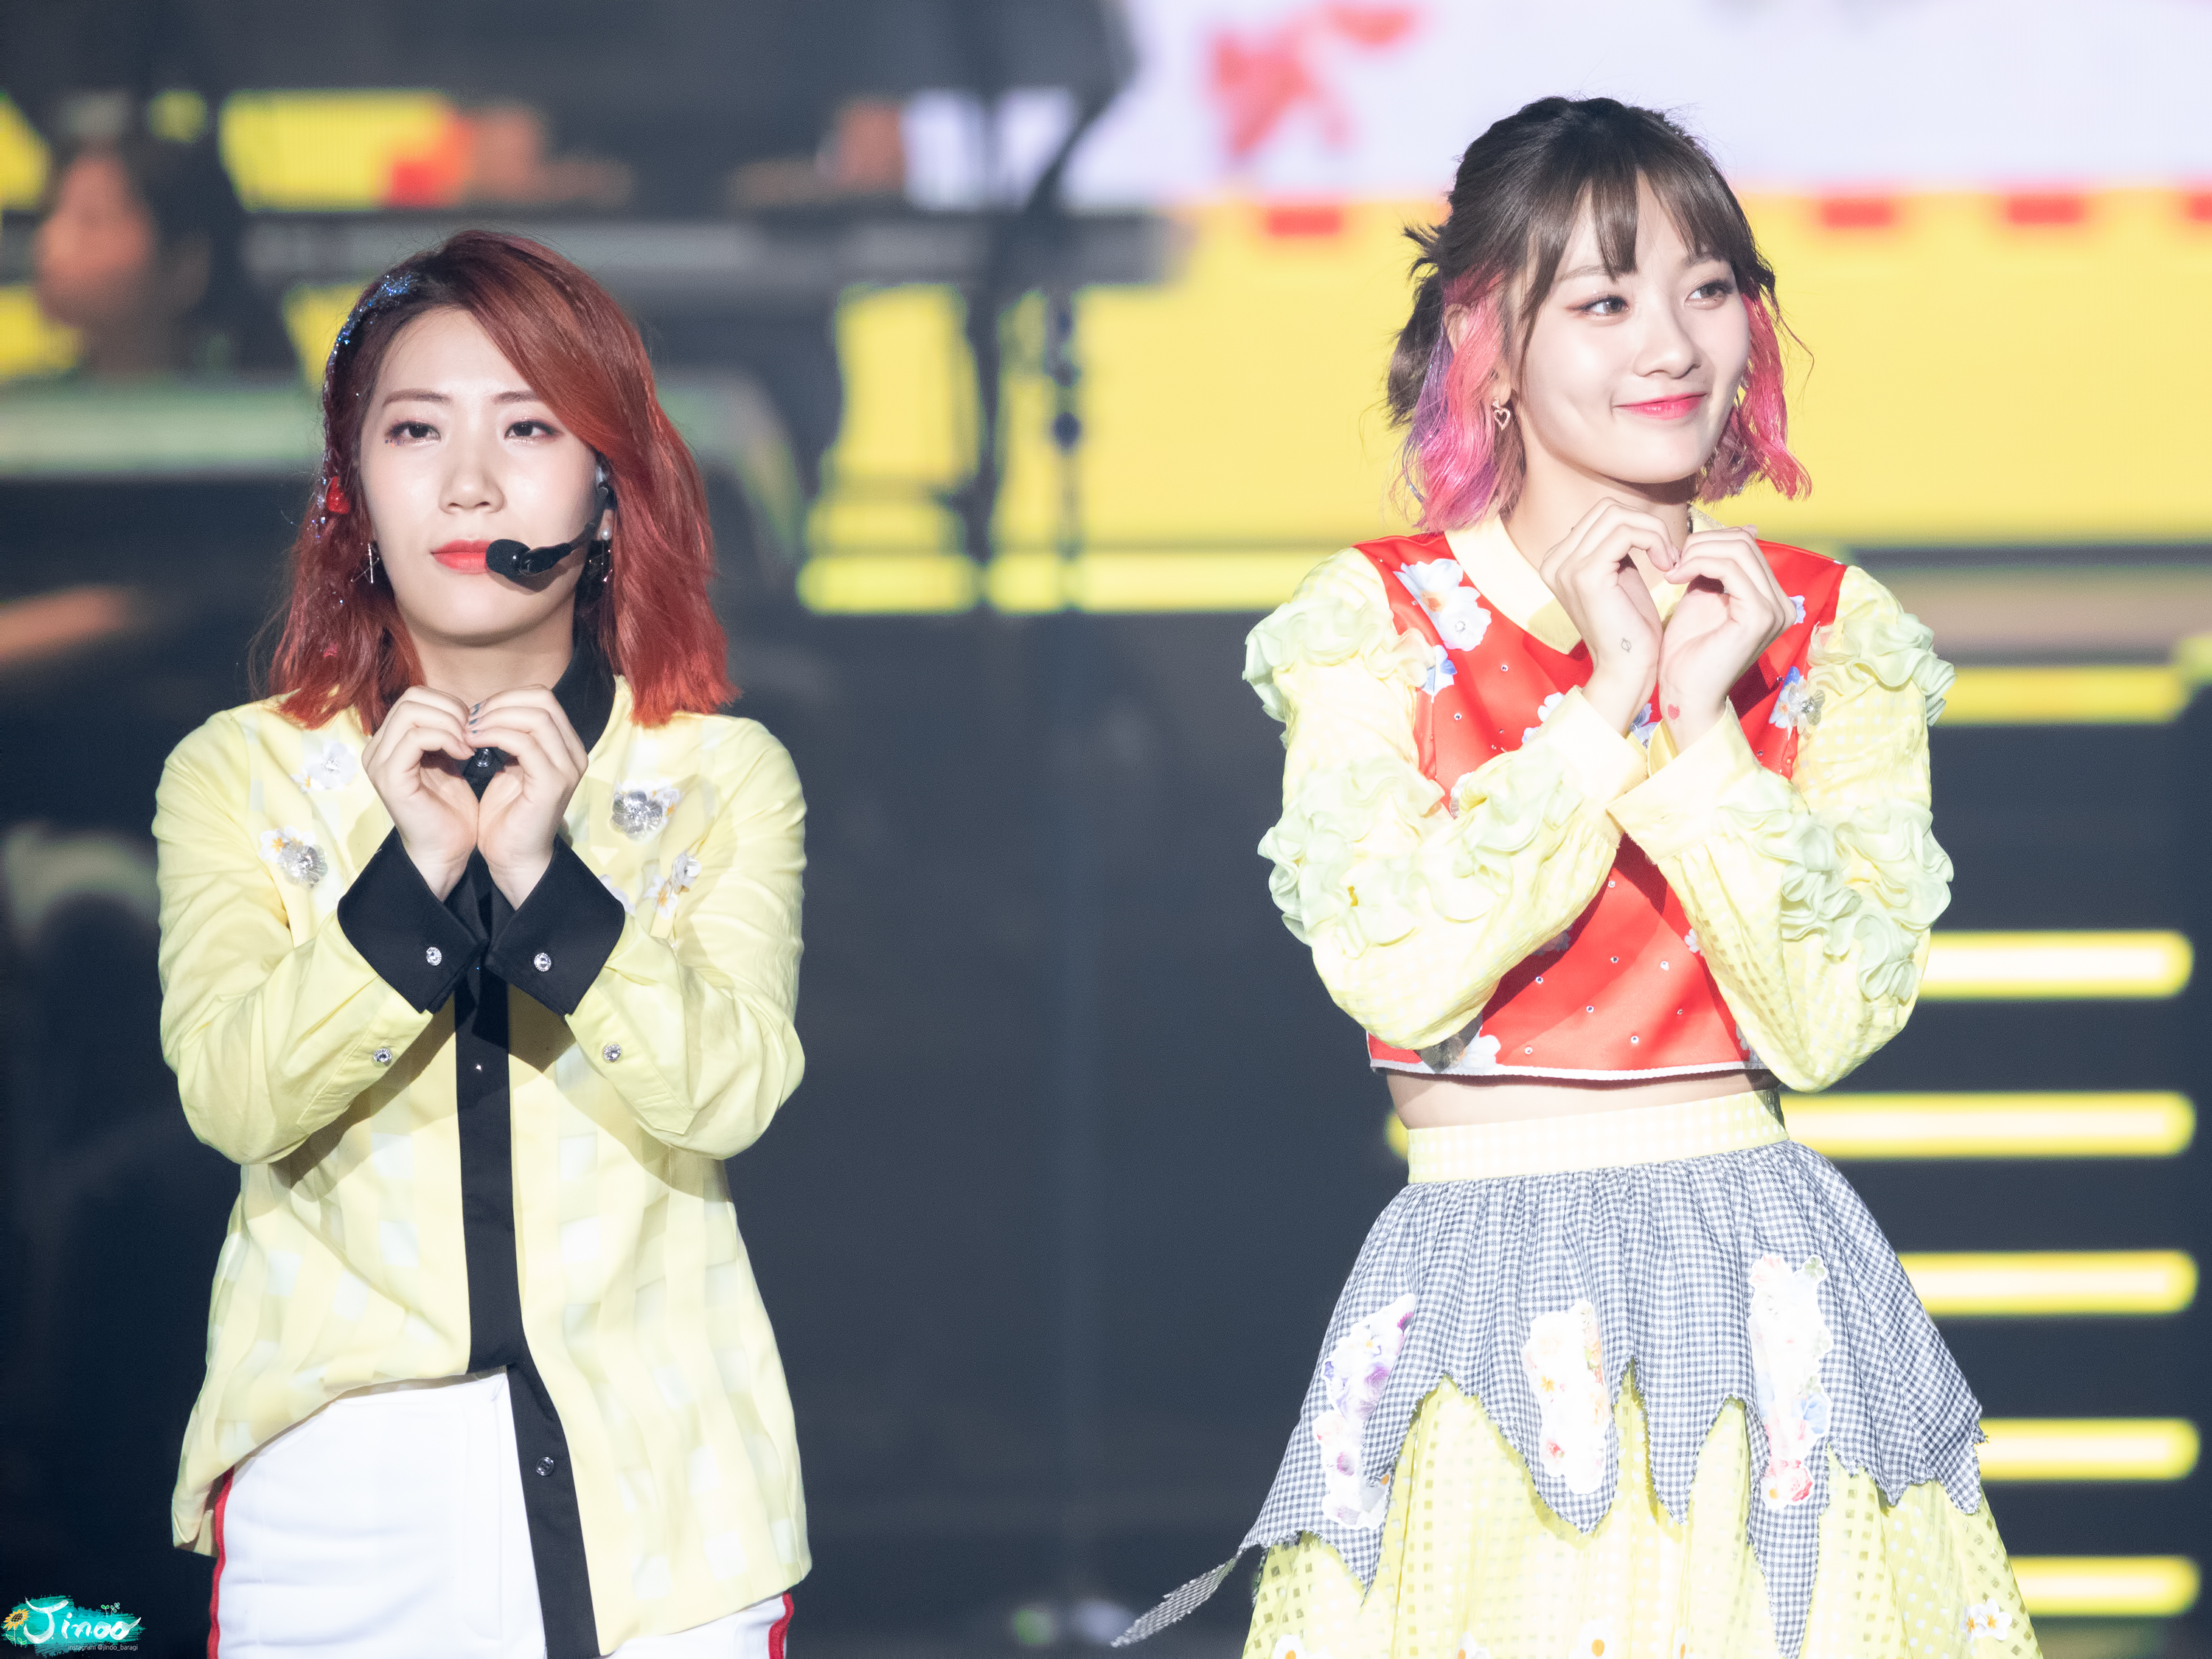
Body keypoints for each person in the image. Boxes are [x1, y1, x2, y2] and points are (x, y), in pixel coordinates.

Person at [1123, 99, 2034, 1659]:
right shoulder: (1378, 621)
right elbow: (1395, 966)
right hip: (1481, 1281)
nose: (1672, 343)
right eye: (1605, 301)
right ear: (1489, 342)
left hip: (1759, 1287)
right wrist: (1604, 707)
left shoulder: (1828, 629)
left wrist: (1704, 730)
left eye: (1708, 287)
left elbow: (1831, 1021)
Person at [154, 231, 807, 1658]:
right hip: (339, 1503)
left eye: (527, 428)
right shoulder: (242, 773)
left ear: (608, 489)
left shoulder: (717, 774)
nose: (467, 483)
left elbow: (732, 1095)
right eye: (414, 431)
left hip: (671, 1501)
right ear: (349, 487)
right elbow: (235, 1100)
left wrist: (545, 880)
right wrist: (413, 875)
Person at [32, 131, 296, 379]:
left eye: (92, 221)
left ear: (185, 269)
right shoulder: (32, 401)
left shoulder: (247, 400)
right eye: (50, 215)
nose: (51, 241)